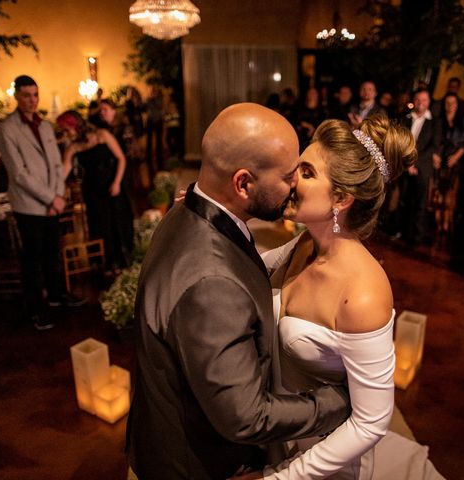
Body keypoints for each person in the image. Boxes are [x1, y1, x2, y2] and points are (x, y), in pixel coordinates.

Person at [126, 103, 351, 480]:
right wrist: (340, 400)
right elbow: (247, 417)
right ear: (243, 183)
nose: (295, 183)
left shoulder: (187, 211)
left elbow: (240, 265)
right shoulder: (212, 285)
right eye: (287, 175)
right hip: (193, 464)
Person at [245, 115, 441, 479]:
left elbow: (371, 422)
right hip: (275, 426)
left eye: (305, 173)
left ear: (340, 197)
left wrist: (280, 478)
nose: (291, 179)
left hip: (322, 458)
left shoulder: (363, 295)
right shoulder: (305, 243)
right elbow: (246, 269)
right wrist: (214, 219)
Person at [0, 75, 85, 331]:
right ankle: (36, 308)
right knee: (32, 259)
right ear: (16, 96)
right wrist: (49, 198)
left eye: (35, 95)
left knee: (52, 253)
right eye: (26, 95)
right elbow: (19, 173)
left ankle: (58, 295)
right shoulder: (6, 130)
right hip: (29, 205)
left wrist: (58, 195)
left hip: (52, 202)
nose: (32, 100)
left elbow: (57, 165)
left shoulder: (45, 126)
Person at [57, 110, 133, 273]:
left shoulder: (102, 134)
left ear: (76, 126)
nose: (65, 133)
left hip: (112, 184)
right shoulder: (73, 147)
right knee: (100, 225)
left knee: (117, 222)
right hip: (92, 190)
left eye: (66, 129)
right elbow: (63, 172)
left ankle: (123, 261)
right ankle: (107, 263)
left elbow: (121, 158)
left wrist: (117, 182)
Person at [399, 88, 441, 245]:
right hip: (404, 166)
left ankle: (416, 237)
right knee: (404, 200)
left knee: (420, 203)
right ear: (413, 101)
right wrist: (407, 163)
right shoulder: (405, 118)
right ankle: (402, 231)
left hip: (422, 167)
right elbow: (400, 141)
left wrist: (414, 162)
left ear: (428, 102)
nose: (420, 103)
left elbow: (434, 146)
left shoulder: (435, 122)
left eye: (424, 100)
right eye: (418, 99)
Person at [433, 92, 464, 237]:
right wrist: (435, 155)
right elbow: (434, 140)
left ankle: (446, 224)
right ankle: (437, 224)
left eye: (453, 103)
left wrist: (455, 157)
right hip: (439, 159)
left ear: (457, 104)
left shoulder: (463, 122)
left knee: (450, 193)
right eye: (447, 103)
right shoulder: (438, 120)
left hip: (454, 161)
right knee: (437, 192)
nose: (450, 106)